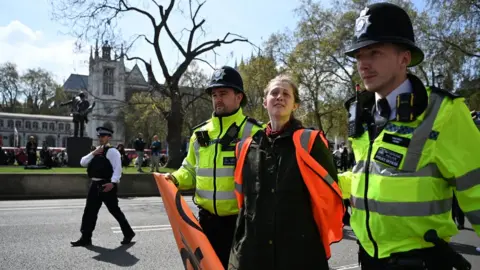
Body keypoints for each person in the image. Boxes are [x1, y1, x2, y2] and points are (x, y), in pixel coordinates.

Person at [341, 2, 480, 269]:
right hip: (368, 258)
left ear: (404, 58)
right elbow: (369, 175)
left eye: (374, 52)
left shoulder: (444, 112)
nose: (363, 64)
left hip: (421, 261)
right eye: (359, 55)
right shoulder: (359, 111)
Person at [229, 75, 344, 270]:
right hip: (253, 253)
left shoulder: (311, 142)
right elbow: (244, 205)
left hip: (299, 253)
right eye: (274, 93)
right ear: (265, 102)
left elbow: (329, 193)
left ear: (295, 105)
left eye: (286, 94)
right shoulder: (246, 147)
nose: (279, 97)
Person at [164, 66, 264, 268]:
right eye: (214, 94)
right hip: (206, 223)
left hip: (240, 224)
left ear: (239, 97)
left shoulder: (255, 132)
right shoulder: (200, 133)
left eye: (224, 93)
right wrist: (174, 179)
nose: (218, 99)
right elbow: (190, 170)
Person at [71, 126, 135, 247]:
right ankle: (85, 238)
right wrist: (93, 153)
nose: (101, 138)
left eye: (104, 136)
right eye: (100, 136)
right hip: (94, 184)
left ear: (109, 137)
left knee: (115, 211)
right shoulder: (96, 151)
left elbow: (118, 169)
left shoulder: (113, 152)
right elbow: (83, 162)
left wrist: (113, 183)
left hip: (107, 185)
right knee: (89, 211)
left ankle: (128, 233)